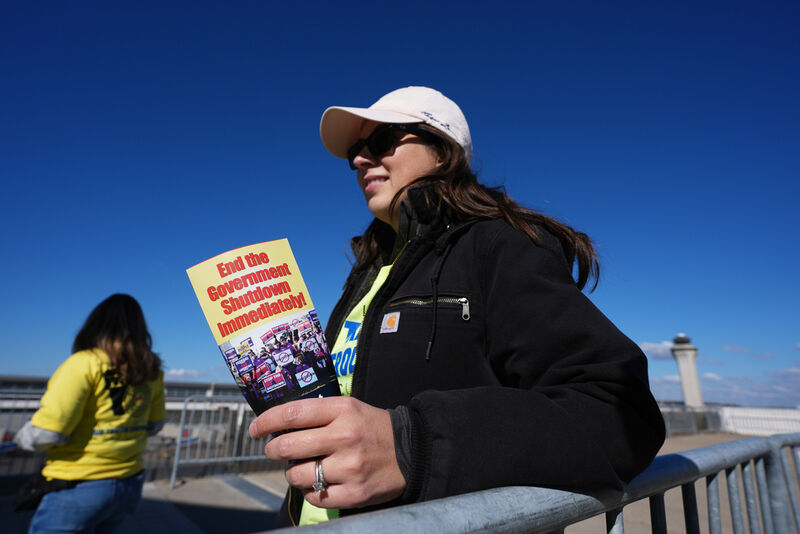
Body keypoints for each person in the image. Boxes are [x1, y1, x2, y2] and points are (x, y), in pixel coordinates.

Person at [248, 86, 666, 527]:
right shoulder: (370, 271)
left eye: (381, 141)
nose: (358, 160)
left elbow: (620, 411)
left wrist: (417, 447)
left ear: (442, 151)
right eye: (355, 149)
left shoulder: (498, 246)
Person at [14, 294, 165, 534]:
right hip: (129, 482)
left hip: (78, 484)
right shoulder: (152, 370)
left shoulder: (83, 363)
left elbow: (48, 433)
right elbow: (155, 424)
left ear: (96, 323)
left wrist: (19, 439)